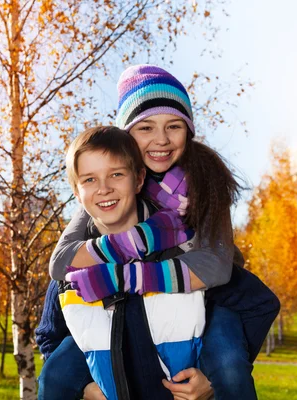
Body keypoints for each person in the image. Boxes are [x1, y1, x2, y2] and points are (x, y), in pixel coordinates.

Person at [37, 65, 280, 400]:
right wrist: (85, 386)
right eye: (146, 127)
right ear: (125, 137)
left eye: (174, 126)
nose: (161, 139)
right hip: (132, 313)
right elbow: (64, 263)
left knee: (226, 362)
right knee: (60, 373)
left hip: (211, 297)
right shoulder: (110, 190)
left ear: (188, 131)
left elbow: (217, 268)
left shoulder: (204, 181)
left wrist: (209, 379)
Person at [39, 125, 209, 400]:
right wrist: (84, 388)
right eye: (89, 180)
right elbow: (49, 338)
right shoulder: (70, 269)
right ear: (76, 191)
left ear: (139, 179)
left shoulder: (184, 256)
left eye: (116, 175)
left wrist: (211, 379)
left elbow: (232, 325)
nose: (104, 189)